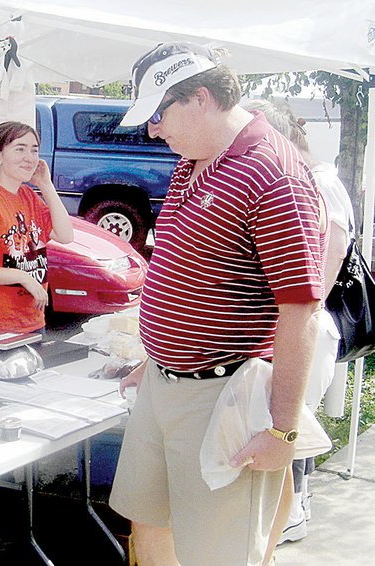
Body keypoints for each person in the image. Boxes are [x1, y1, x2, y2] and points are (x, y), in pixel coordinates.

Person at [107, 42, 325, 565]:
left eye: (158, 115)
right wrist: (155, 357)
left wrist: (281, 430)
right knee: (147, 520)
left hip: (223, 393)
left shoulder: (274, 174)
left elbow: (301, 311)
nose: (152, 130)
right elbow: (189, 270)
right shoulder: (194, 160)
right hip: (165, 382)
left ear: (200, 99)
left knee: (217, 553)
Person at [242, 98, 355, 554]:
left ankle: (292, 516)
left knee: (290, 427)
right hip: (303, 327)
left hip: (306, 329)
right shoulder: (316, 178)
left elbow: (321, 271)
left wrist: (290, 318)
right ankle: (290, 515)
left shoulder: (314, 182)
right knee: (293, 424)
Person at [0, 121, 73, 335]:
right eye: (20, 149)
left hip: (34, 323)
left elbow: (65, 235)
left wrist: (46, 185)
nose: (29, 157)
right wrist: (22, 276)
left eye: (34, 150)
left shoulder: (29, 196)